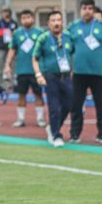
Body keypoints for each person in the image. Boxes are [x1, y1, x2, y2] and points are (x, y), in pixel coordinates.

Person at [67, 0, 102, 144]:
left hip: (100, 73)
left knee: (101, 105)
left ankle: (101, 134)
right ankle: (75, 134)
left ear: (94, 10)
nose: (87, 11)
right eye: (84, 8)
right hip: (79, 72)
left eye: (90, 8)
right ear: (80, 10)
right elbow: (67, 48)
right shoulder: (72, 27)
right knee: (76, 104)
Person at [32, 11, 74, 148]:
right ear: (49, 23)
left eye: (59, 20)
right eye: (53, 20)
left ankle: (52, 127)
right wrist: (38, 74)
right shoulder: (43, 38)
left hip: (66, 77)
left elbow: (73, 54)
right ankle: (56, 135)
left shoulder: (68, 37)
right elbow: (35, 58)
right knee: (54, 107)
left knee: (69, 105)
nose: (56, 23)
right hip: (51, 78)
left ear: (62, 22)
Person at [3, 10, 46, 127]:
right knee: (21, 95)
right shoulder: (17, 33)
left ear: (33, 18)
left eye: (28, 17)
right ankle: (20, 119)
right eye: (23, 18)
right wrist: (7, 65)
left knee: (38, 94)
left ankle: (40, 118)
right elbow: (12, 50)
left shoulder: (40, 33)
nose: (26, 20)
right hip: (21, 70)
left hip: (36, 71)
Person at [0, 8, 18, 86]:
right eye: (3, 12)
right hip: (1, 48)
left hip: (11, 48)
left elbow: (16, 35)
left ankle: (12, 83)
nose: (5, 14)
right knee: (0, 65)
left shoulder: (14, 23)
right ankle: (0, 84)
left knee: (12, 65)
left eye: (6, 12)